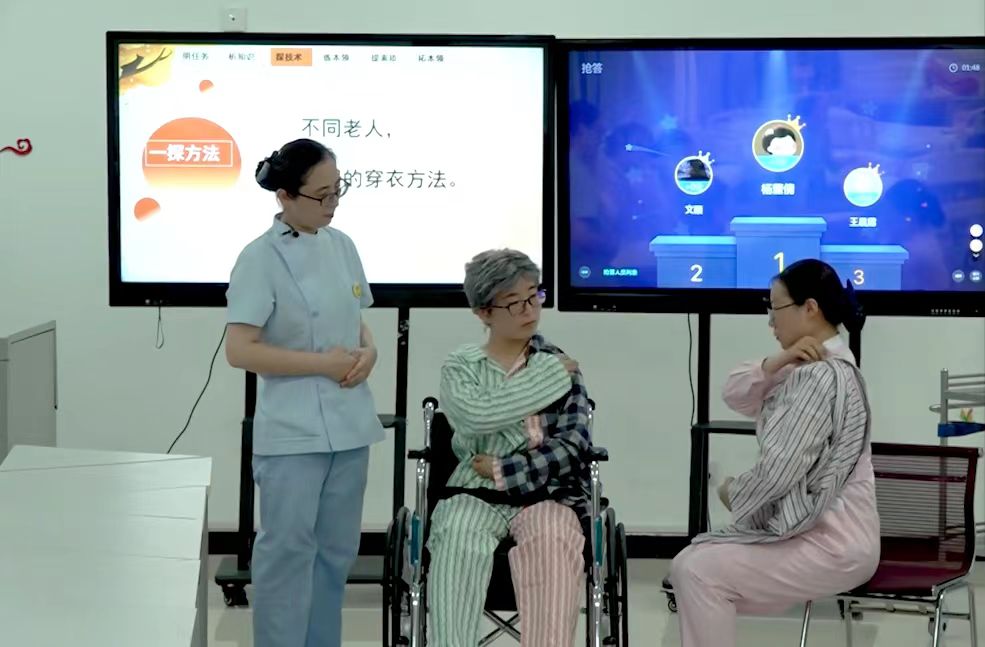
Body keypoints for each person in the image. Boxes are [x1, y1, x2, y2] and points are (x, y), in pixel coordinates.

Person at [224, 138, 385, 647]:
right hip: (293, 433)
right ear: (285, 195)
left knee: (335, 554)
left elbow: (356, 321)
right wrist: (322, 365)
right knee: (287, 554)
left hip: (349, 425)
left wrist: (370, 352)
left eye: (338, 190)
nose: (333, 203)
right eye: (321, 195)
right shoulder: (260, 258)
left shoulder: (343, 245)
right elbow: (240, 350)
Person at [670, 259, 880, 647]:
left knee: (697, 571)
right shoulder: (815, 366)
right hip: (826, 537)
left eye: (775, 307)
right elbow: (735, 393)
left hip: (832, 543)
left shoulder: (820, 377)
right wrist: (778, 360)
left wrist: (732, 492)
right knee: (692, 567)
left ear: (810, 308)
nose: (770, 321)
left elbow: (778, 473)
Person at [428, 249, 592, 647]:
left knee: (554, 542)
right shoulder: (463, 366)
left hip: (547, 491)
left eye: (534, 296)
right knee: (456, 536)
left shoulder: (558, 362)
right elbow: (474, 417)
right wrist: (545, 381)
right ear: (484, 313)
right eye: (514, 302)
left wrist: (505, 469)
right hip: (473, 490)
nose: (529, 309)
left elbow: (572, 446)